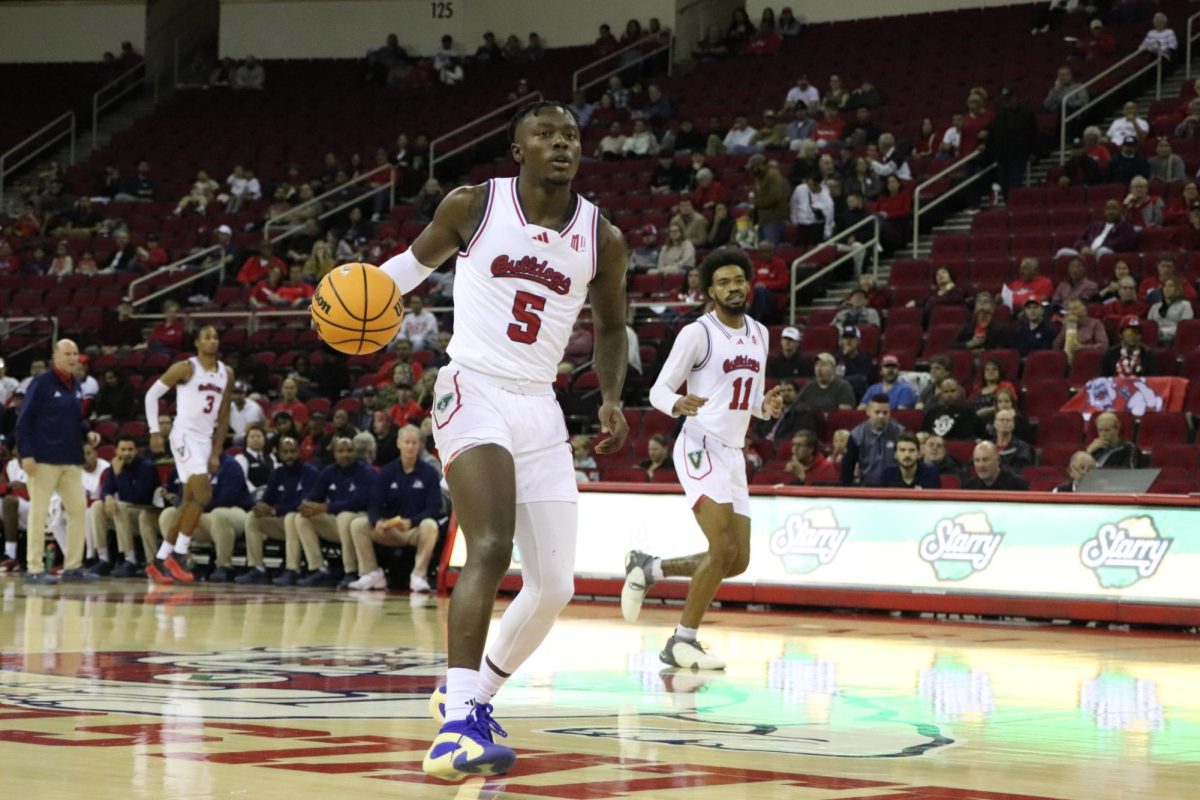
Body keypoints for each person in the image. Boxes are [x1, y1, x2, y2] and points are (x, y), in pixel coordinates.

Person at [378, 101, 628, 781]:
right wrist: (357, 296)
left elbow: (609, 328)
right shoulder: (474, 207)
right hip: (474, 388)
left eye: (570, 136)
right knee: (488, 544)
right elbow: (407, 269)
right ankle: (454, 728)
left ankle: (473, 698)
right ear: (518, 150)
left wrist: (609, 396)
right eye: (545, 135)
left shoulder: (602, 237)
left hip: (539, 406)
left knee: (553, 586)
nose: (560, 145)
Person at [624, 247, 783, 670]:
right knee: (723, 545)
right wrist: (677, 405)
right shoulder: (698, 333)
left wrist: (766, 407)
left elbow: (750, 402)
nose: (733, 287)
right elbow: (658, 391)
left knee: (737, 560)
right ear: (711, 291)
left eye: (739, 280)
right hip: (699, 444)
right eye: (724, 282)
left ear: (748, 284)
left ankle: (650, 567)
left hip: (733, 452)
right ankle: (682, 640)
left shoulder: (760, 333)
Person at [142, 326, 234, 585]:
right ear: (196, 343)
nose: (213, 340)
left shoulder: (227, 373)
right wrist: (154, 431)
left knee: (189, 501)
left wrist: (216, 451)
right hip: (183, 436)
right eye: (207, 336)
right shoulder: (186, 368)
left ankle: (160, 560)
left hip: (205, 440)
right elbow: (152, 395)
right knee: (204, 495)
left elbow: (225, 414)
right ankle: (179, 554)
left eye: (216, 336)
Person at [14, 339, 100, 583]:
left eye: (75, 354)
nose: (73, 358)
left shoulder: (76, 385)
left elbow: (76, 418)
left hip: (71, 459)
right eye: (68, 354)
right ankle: (34, 568)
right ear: (56, 358)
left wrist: (87, 434)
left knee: (77, 511)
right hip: (42, 460)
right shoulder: (41, 383)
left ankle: (73, 566)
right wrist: (26, 454)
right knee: (38, 514)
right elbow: (24, 420)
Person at [347, 425, 442, 592]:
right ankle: (371, 573)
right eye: (407, 442)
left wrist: (411, 521)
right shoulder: (387, 471)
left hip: (414, 530)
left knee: (431, 525)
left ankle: (418, 576)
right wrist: (377, 521)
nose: (411, 446)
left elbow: (434, 508)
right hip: (391, 530)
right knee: (358, 524)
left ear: (420, 445)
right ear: (399, 444)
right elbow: (374, 503)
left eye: (414, 443)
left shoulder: (430, 474)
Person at [292, 437, 375, 587]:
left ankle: (351, 571)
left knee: (344, 516)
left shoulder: (365, 472)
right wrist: (306, 504)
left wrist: (326, 508)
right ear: (334, 454)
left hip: (361, 521)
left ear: (356, 452)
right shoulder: (329, 471)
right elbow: (314, 495)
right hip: (337, 523)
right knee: (302, 518)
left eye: (349, 450)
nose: (345, 455)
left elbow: (360, 502)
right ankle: (318, 569)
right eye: (341, 451)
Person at [238, 436, 316, 585]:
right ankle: (257, 568)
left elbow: (303, 505)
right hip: (281, 522)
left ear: (299, 452)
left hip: (302, 524)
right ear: (278, 454)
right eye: (285, 452)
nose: (289, 456)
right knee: (252, 518)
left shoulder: (309, 472)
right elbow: (267, 500)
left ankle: (293, 569)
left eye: (293, 451)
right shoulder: (277, 473)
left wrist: (275, 511)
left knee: (292, 517)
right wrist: (260, 507)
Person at [87, 434, 160, 577]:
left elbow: (136, 498)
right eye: (123, 449)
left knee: (120, 506)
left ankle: (130, 559)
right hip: (125, 513)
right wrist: (107, 497)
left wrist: (119, 474)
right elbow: (106, 489)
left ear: (136, 450)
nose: (126, 453)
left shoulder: (146, 467)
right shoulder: (115, 465)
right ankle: (103, 558)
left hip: (144, 514)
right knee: (96, 506)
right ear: (116, 451)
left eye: (130, 449)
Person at [840, 394, 905, 486]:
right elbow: (847, 468)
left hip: (895, 488)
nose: (881, 416)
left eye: (885, 413)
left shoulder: (900, 433)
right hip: (867, 488)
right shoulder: (856, 435)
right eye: (877, 412)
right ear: (868, 412)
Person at [1053, 298, 1109, 362]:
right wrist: (1068, 328)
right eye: (1069, 310)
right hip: (1068, 361)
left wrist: (1081, 347)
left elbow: (1103, 346)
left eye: (1075, 309)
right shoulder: (1068, 325)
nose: (1071, 312)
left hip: (1088, 360)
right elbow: (1056, 346)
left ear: (1084, 310)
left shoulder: (1096, 324)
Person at [962, 442, 1029, 491]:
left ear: (997, 461)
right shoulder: (969, 487)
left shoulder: (1018, 485)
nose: (981, 465)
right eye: (977, 460)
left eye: (985, 460)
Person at [1147, 277, 1194, 344]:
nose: (1167, 289)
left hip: (1176, 340)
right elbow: (1149, 325)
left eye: (1171, 286)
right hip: (1155, 339)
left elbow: (1185, 327)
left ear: (1178, 289)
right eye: (1165, 286)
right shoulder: (1155, 306)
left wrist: (1163, 332)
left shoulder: (1185, 305)